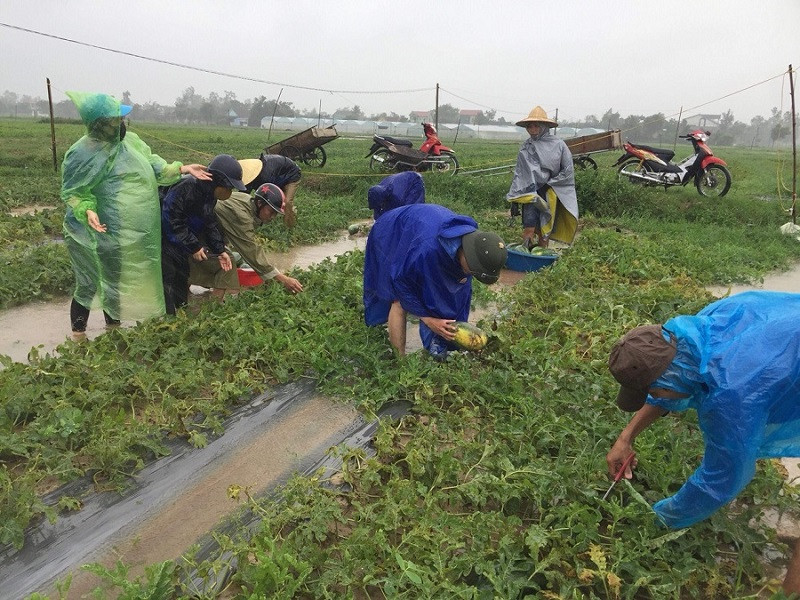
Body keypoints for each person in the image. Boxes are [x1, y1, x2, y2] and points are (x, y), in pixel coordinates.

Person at [604, 291, 800, 595]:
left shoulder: (733, 396)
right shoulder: (701, 329)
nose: (655, 396)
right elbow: (675, 384)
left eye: (654, 389)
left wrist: (656, 520)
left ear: (668, 380)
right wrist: (625, 438)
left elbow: (722, 480)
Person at [60, 91, 210, 340]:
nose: (121, 125)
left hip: (118, 229)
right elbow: (74, 191)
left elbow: (156, 166)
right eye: (114, 121)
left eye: (121, 119)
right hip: (89, 230)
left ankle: (112, 331)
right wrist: (87, 209)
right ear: (98, 125)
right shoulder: (81, 153)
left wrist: (182, 168)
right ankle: (78, 339)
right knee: (88, 281)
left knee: (114, 279)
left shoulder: (133, 143)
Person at [363, 203, 507, 358]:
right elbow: (400, 284)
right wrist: (428, 319)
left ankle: (438, 348)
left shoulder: (475, 247)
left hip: (422, 226)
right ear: (466, 254)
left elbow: (458, 297)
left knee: (447, 290)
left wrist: (456, 336)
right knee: (397, 300)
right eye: (473, 270)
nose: (471, 274)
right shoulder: (426, 250)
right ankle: (400, 362)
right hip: (393, 232)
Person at [188, 181, 304, 298]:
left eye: (276, 214)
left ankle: (193, 295)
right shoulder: (242, 217)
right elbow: (251, 252)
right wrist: (282, 278)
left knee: (222, 256)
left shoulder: (246, 199)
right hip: (190, 233)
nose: (272, 217)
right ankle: (214, 307)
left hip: (199, 228)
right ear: (259, 203)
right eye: (271, 212)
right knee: (226, 264)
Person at [160, 154, 244, 314]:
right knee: (168, 278)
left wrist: (220, 250)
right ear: (219, 182)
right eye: (229, 187)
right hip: (164, 238)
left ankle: (181, 318)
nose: (230, 192)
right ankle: (167, 322)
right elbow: (172, 220)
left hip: (179, 243)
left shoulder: (208, 195)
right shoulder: (187, 187)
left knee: (182, 276)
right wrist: (194, 246)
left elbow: (209, 222)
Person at [506, 106, 579, 249]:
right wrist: (515, 199)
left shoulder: (559, 145)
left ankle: (542, 261)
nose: (532, 129)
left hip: (550, 192)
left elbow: (568, 170)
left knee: (544, 230)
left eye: (536, 126)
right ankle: (526, 257)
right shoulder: (526, 146)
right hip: (530, 194)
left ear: (544, 126)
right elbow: (520, 174)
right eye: (529, 126)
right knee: (529, 227)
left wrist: (550, 183)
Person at [238, 153, 302, 228]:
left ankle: (290, 226)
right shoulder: (249, 175)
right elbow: (243, 195)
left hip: (292, 175)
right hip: (278, 176)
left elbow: (272, 196)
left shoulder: (266, 176)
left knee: (286, 202)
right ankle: (290, 212)